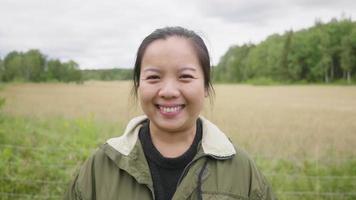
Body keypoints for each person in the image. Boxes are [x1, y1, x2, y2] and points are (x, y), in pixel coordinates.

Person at [64, 26, 276, 200]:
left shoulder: (240, 168)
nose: (168, 91)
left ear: (205, 86)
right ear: (138, 86)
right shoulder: (101, 166)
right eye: (154, 77)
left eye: (185, 76)